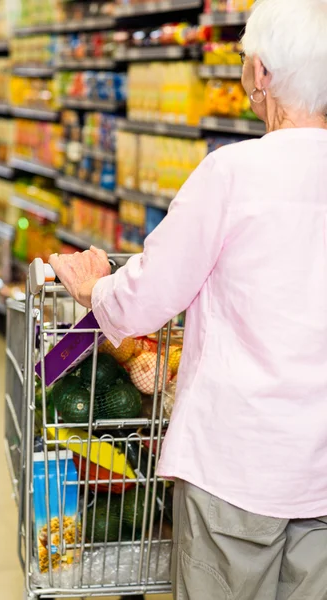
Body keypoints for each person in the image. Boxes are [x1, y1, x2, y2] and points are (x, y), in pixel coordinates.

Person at [49, 0, 327, 597]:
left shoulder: (232, 173)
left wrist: (94, 286)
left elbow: (148, 297)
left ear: (262, 74)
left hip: (237, 462)